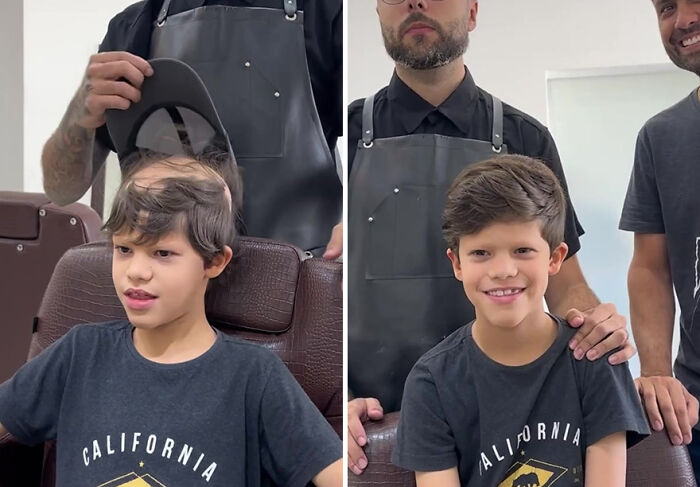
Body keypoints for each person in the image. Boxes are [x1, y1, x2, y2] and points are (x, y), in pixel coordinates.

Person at [347, 0, 635, 474]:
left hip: (509, 421)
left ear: (473, 11)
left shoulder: (529, 138)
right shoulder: (350, 131)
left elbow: (567, 288)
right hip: (374, 421)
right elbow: (331, 281)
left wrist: (600, 335)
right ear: (377, 12)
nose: (415, 3)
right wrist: (342, 396)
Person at [0, 147, 343, 486]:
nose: (136, 272)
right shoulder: (80, 353)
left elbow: (337, 473)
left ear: (213, 262)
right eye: (124, 249)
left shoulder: (253, 377)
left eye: (162, 253)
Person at [393, 155, 649, 487]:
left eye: (523, 251)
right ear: (456, 263)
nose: (503, 271)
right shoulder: (430, 384)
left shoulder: (596, 360)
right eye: (481, 253)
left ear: (555, 258)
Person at [40, 0, 342, 257]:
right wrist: (79, 113)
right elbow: (61, 189)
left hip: (292, 291)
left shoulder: (326, 14)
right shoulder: (134, 26)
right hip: (165, 291)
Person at [619, 0, 700, 474]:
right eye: (667, 7)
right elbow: (651, 265)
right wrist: (655, 374)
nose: (683, 19)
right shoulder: (660, 136)